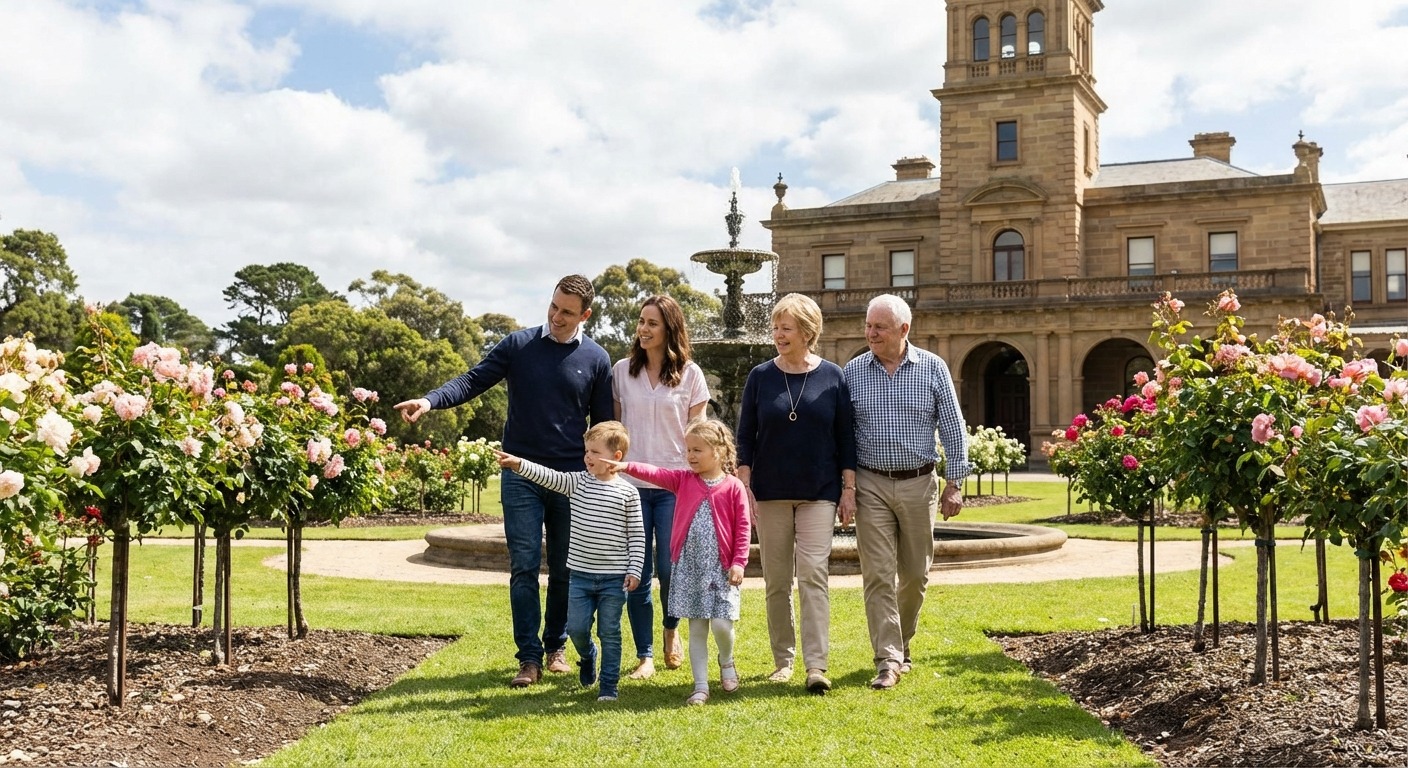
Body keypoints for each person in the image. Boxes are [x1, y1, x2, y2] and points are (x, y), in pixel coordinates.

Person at [393, 274, 614, 688]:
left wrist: (603, 474)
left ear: (585, 314)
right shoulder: (519, 345)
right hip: (519, 472)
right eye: (553, 306)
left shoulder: (597, 359)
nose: (556, 316)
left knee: (566, 568)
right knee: (524, 567)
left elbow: (603, 425)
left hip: (572, 479)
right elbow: (472, 381)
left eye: (567, 312)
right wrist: (428, 400)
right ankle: (528, 658)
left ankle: (556, 647)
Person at [841, 293, 969, 691]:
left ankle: (901, 644)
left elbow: (953, 426)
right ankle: (888, 660)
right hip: (871, 483)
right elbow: (842, 435)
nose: (871, 333)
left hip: (919, 482)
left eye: (879, 327)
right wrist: (845, 486)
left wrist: (956, 483)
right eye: (868, 325)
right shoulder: (853, 371)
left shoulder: (933, 368)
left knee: (914, 575)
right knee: (878, 574)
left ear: (903, 329)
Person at [735, 293, 856, 695]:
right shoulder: (760, 376)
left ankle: (816, 665)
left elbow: (845, 440)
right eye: (775, 328)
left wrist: (848, 490)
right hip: (769, 493)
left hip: (819, 492)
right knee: (776, 581)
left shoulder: (834, 377)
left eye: (786, 328)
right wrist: (745, 486)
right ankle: (783, 660)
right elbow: (745, 439)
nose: (778, 335)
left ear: (807, 331)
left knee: (813, 578)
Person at [600, 418, 750, 706]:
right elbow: (655, 473)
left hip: (721, 568)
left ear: (718, 451)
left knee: (721, 624)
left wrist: (739, 562)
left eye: (697, 450)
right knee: (696, 628)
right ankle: (701, 685)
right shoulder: (683, 480)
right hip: (690, 567)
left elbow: (743, 528)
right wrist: (627, 467)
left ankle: (727, 660)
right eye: (688, 450)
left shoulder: (733, 487)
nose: (690, 456)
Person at [493, 421, 644, 702]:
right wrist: (518, 464)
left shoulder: (628, 494)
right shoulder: (577, 483)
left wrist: (634, 569)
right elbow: (547, 476)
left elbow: (637, 536)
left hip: (614, 579)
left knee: (610, 631)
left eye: (594, 451)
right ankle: (588, 655)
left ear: (616, 456)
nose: (587, 457)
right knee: (576, 628)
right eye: (586, 451)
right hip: (581, 578)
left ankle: (608, 686)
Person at [612, 295, 710, 679]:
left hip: (674, 486)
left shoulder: (691, 374)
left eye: (652, 323)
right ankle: (645, 654)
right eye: (641, 321)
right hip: (630, 485)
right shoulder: (622, 371)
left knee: (670, 570)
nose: (644, 329)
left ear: (670, 328)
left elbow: (698, 434)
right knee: (635, 571)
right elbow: (615, 431)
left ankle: (671, 631)